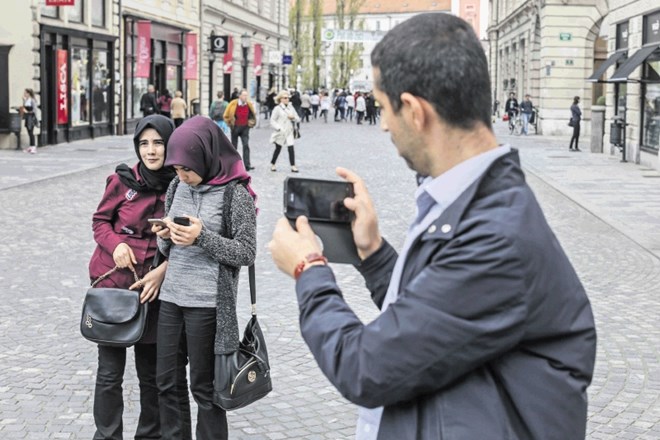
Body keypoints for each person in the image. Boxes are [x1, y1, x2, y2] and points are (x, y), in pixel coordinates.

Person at [269, 13, 596, 440]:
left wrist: (308, 268)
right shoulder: (470, 199)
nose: (383, 124)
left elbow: (365, 367)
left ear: (415, 111)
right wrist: (374, 255)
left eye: (384, 108)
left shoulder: (496, 236)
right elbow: (435, 321)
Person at [152, 116, 257, 440]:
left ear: (206, 157)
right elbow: (166, 248)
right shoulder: (176, 186)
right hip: (172, 298)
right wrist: (165, 234)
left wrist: (202, 237)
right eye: (177, 169)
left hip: (208, 305)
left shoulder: (234, 195)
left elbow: (246, 252)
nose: (182, 176)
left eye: (187, 168)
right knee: (166, 381)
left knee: (205, 387)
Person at [88, 115, 191, 440]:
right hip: (114, 290)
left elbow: (191, 240)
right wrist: (116, 243)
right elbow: (100, 221)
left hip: (155, 295)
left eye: (158, 142)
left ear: (170, 144)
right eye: (144, 143)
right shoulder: (121, 181)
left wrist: (166, 269)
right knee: (109, 374)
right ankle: (107, 436)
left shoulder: (182, 185)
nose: (150, 150)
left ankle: (148, 436)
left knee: (151, 375)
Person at [223, 89, 257, 170]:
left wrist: (251, 123)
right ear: (240, 96)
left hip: (245, 128)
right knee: (234, 147)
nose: (245, 97)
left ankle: (247, 165)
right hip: (235, 127)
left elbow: (253, 115)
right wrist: (229, 123)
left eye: (246, 95)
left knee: (246, 145)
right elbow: (226, 115)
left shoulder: (248, 104)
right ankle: (233, 165)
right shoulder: (233, 103)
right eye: (244, 95)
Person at [269, 90, 301, 173]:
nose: (287, 99)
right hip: (281, 131)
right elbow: (272, 120)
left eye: (288, 98)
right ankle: (273, 163)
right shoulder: (277, 108)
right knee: (278, 148)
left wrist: (293, 117)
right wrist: (278, 128)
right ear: (281, 99)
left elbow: (298, 119)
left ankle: (293, 166)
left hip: (289, 131)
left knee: (291, 147)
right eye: (285, 98)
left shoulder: (291, 107)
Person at [22, 88, 38, 154]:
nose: (24, 94)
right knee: (29, 132)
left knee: (31, 132)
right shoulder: (27, 100)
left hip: (31, 118)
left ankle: (33, 147)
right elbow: (24, 108)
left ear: (29, 93)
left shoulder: (32, 100)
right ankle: (31, 147)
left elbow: (34, 110)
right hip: (27, 117)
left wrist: (28, 112)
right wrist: (23, 101)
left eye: (25, 93)